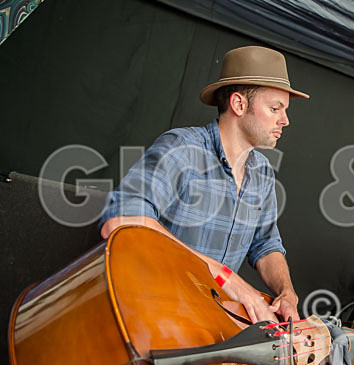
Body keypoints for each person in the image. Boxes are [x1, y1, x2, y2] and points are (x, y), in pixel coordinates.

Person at [100, 46, 307, 324]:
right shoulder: (182, 149)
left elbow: (265, 244)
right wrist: (223, 276)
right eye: (275, 108)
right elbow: (120, 221)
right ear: (239, 104)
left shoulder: (263, 173)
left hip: (207, 322)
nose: (285, 120)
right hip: (149, 314)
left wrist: (286, 292)